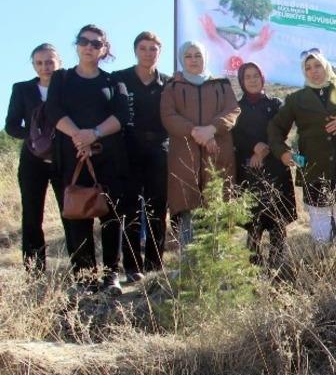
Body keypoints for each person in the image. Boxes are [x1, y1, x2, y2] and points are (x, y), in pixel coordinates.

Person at [44, 25, 130, 293]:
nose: (89, 46)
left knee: (112, 217)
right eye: (84, 41)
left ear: (104, 49)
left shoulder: (114, 81)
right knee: (76, 216)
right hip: (71, 158)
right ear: (77, 44)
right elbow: (53, 110)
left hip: (109, 158)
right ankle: (85, 279)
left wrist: (93, 134)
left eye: (96, 43)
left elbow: (122, 116)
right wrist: (78, 137)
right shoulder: (62, 78)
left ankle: (110, 276)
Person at [270, 51, 336, 260]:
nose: (314, 71)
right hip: (314, 169)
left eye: (318, 66)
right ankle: (322, 267)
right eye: (308, 68)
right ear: (303, 72)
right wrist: (284, 153)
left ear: (326, 67)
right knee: (320, 222)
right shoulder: (296, 100)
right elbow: (275, 128)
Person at [161, 40, 240, 248]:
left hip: (217, 156)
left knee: (217, 209)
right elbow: (168, 115)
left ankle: (219, 265)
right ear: (181, 59)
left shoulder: (221, 84)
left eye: (198, 55)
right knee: (188, 210)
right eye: (188, 56)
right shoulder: (173, 87)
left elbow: (233, 110)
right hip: (184, 157)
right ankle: (188, 267)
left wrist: (212, 129)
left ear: (205, 57)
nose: (193, 60)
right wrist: (195, 131)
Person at [6, 43, 68, 273]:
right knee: (32, 216)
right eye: (40, 63)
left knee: (70, 213)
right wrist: (32, 136)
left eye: (50, 62)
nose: (45, 67)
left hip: (63, 159)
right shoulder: (22, 89)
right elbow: (11, 126)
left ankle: (81, 269)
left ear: (59, 63)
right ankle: (35, 271)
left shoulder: (68, 87)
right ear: (33, 65)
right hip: (32, 162)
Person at [114, 31, 169, 280]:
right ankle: (132, 266)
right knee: (131, 209)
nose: (148, 53)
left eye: (153, 49)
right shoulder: (119, 79)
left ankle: (155, 265)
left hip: (159, 152)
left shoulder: (168, 83)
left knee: (157, 209)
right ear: (135, 51)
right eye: (143, 48)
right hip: (129, 152)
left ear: (160, 52)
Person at [233, 61, 296, 266]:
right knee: (254, 223)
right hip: (249, 170)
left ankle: (278, 268)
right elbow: (234, 136)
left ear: (262, 78)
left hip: (276, 168)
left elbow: (281, 129)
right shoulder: (236, 108)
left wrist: (265, 147)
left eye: (255, 75)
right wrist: (254, 147)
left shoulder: (275, 104)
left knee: (278, 221)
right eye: (247, 77)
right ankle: (254, 271)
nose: (252, 80)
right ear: (242, 81)